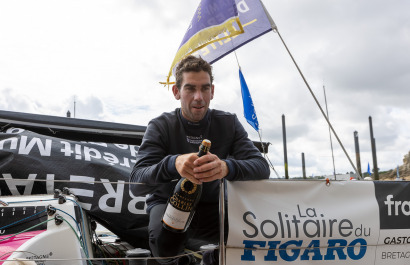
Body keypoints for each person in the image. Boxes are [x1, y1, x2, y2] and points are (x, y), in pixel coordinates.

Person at [130, 55, 270, 265]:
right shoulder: (160, 126)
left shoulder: (228, 122)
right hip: (169, 205)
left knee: (259, 236)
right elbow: (136, 184)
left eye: (205, 88)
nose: (199, 97)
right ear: (176, 92)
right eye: (190, 89)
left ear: (212, 91)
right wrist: (173, 164)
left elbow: (261, 167)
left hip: (215, 205)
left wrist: (225, 167)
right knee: (165, 248)